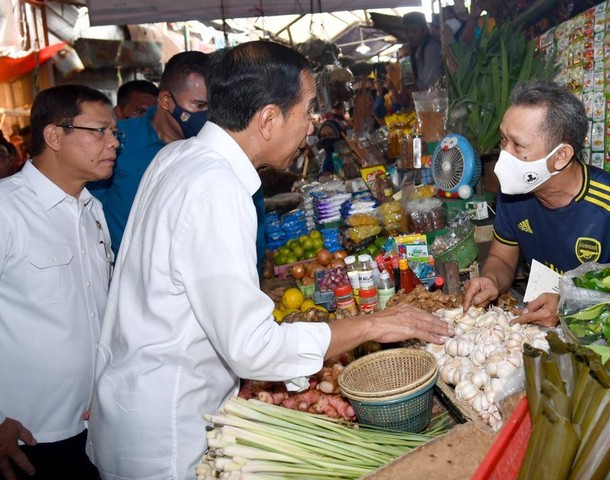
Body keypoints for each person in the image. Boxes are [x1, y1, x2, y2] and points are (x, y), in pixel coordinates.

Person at [88, 40, 454, 480]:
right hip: (169, 433)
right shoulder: (215, 189)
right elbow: (252, 348)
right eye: (307, 111)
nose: (311, 126)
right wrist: (373, 325)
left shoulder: (178, 157)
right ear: (268, 119)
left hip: (134, 403)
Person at [0, 84, 118, 480]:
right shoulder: (7, 211)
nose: (113, 142)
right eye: (99, 131)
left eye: (113, 132)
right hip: (25, 435)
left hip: (91, 422)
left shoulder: (92, 209)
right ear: (54, 135)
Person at [463, 80, 610, 326]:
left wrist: (570, 308)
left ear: (560, 157)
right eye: (503, 140)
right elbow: (502, 259)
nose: (505, 155)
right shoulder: (514, 192)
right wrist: (491, 279)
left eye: (518, 145)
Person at [89, 51, 209, 255]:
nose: (206, 115)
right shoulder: (117, 140)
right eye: (199, 105)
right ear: (165, 100)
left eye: (210, 107)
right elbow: (90, 209)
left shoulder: (211, 145)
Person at [402, 11, 443, 91]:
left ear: (424, 30)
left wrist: (405, 60)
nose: (410, 35)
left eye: (414, 30)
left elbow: (430, 87)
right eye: (407, 31)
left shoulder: (431, 48)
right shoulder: (408, 49)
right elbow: (407, 85)